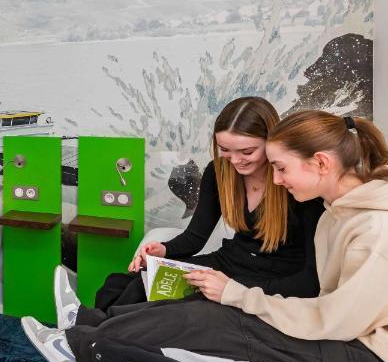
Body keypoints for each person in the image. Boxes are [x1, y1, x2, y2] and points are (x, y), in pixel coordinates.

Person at [14, 110, 388, 362]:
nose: (276, 179)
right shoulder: (337, 213)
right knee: (155, 290)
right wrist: (167, 254)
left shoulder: (372, 229)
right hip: (341, 332)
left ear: (321, 163)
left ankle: (81, 344)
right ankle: (84, 332)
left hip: (367, 358)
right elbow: (336, 307)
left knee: (213, 318)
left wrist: (239, 295)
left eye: (280, 167)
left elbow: (332, 316)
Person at [60, 96, 324, 328]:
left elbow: (310, 281)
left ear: (272, 142)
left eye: (247, 151)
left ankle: (93, 334)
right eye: (225, 151)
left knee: (172, 303)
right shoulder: (219, 172)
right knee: (128, 282)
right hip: (229, 262)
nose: (235, 161)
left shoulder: (300, 188)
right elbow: (195, 237)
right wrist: (161, 251)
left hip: (272, 278)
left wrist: (234, 289)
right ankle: (89, 330)